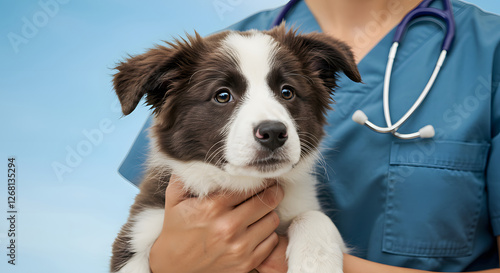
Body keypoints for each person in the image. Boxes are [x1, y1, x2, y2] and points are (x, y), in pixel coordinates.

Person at [118, 0, 500, 272]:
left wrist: (317, 260)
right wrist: (167, 263)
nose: (270, 123)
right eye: (223, 95)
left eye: (286, 93)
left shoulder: (487, 51)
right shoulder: (220, 46)